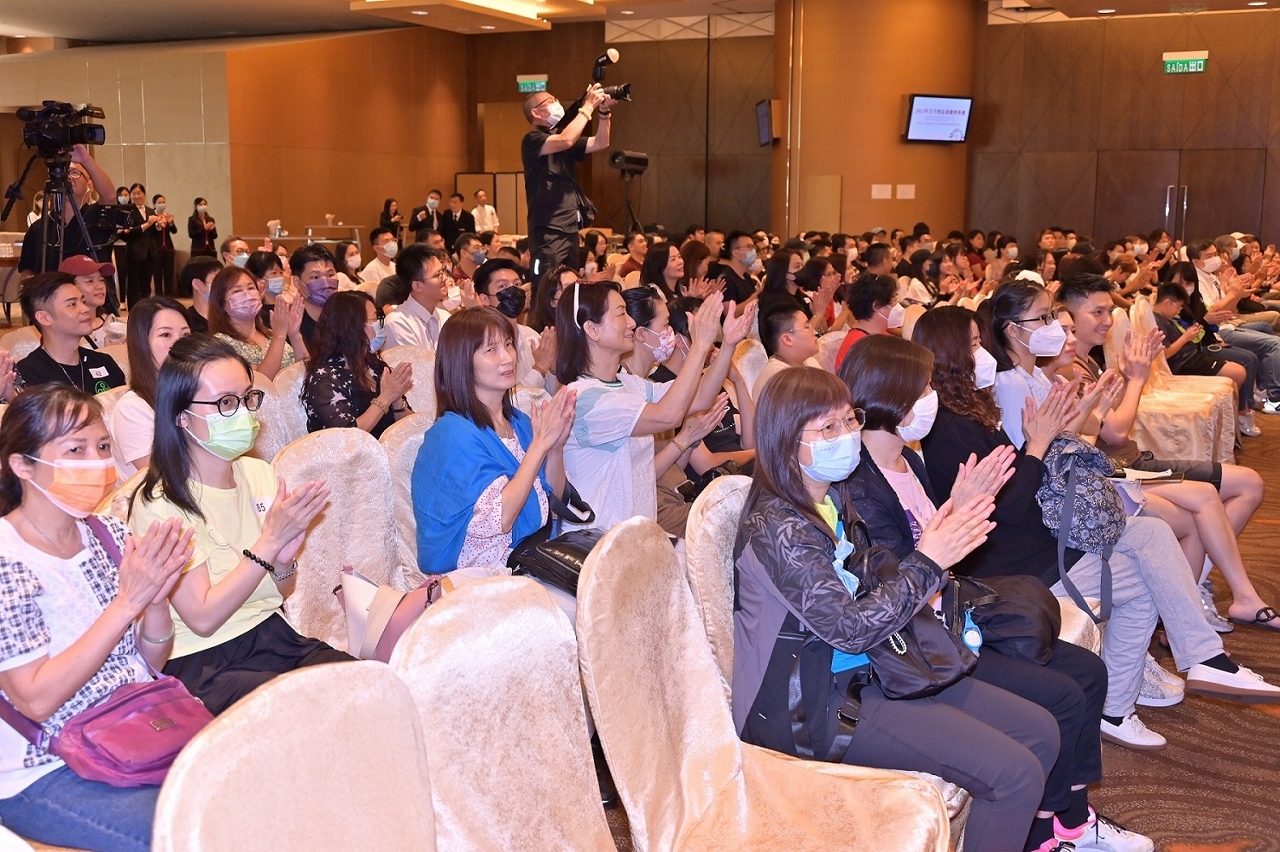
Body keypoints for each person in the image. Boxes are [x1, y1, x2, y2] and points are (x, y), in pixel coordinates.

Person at [914, 305, 1280, 751]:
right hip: (1012, 561)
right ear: (950, 354)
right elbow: (1005, 508)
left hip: (1035, 536)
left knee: (1152, 533)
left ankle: (1202, 658)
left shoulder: (969, 411)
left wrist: (1052, 434)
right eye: (973, 344)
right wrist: (1038, 444)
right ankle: (1126, 702)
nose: (984, 352)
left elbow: (1019, 482)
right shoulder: (948, 429)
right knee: (1146, 577)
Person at [733, 365, 1061, 852]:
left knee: (1040, 731)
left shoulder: (831, 498)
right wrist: (930, 560)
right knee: (1013, 773)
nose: (847, 435)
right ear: (786, 442)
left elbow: (880, 578)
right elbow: (849, 629)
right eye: (828, 428)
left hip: (868, 669)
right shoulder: (777, 527)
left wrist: (949, 520)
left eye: (850, 420)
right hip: (808, 704)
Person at [840, 337, 1147, 852]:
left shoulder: (909, 462)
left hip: (951, 611)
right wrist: (959, 515)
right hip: (920, 638)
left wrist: (963, 509)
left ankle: (1072, 820)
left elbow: (944, 552)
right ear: (892, 396)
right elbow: (900, 580)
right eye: (924, 388)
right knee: (1060, 696)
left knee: (1088, 672)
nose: (934, 398)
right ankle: (1044, 831)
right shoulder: (860, 487)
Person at [0, 385, 195, 852]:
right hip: (47, 765)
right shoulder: (8, 559)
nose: (97, 462)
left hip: (133, 726)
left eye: (103, 447)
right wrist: (126, 603)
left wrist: (155, 602)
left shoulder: (106, 532)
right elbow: (35, 700)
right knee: (194, 833)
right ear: (22, 464)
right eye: (76, 450)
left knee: (255, 794)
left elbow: (146, 662)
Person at [128, 335, 351, 715]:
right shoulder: (160, 502)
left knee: (366, 686)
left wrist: (284, 560)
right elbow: (202, 618)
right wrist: (270, 543)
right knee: (308, 713)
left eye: (247, 398)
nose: (244, 413)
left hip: (274, 634)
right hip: (203, 660)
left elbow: (281, 590)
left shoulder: (258, 473)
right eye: (226, 403)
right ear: (181, 416)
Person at [555, 283, 753, 532]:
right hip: (600, 541)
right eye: (621, 314)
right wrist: (699, 346)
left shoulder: (628, 383)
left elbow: (699, 399)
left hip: (635, 535)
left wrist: (728, 346)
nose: (631, 322)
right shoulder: (586, 399)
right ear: (592, 330)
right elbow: (669, 415)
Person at [412, 306, 577, 576]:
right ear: (461, 361)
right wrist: (539, 446)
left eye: (508, 344)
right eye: (491, 350)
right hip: (475, 579)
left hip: (526, 562)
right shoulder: (451, 435)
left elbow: (555, 502)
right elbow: (502, 519)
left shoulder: (520, 422)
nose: (507, 358)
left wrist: (555, 446)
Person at [522, 85, 614, 279]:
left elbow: (601, 142)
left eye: (556, 100)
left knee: (570, 282)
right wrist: (587, 106)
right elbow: (566, 140)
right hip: (548, 229)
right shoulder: (532, 139)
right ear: (536, 112)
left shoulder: (565, 140)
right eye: (550, 101)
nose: (557, 104)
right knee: (547, 284)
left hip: (570, 227)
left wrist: (604, 112)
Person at [301, 291, 412, 438]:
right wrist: (385, 398)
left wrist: (396, 399)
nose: (379, 325)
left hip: (388, 447)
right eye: (374, 319)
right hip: (349, 452)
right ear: (352, 328)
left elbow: (410, 426)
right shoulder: (325, 379)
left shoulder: (374, 365)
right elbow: (350, 436)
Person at [1150, 282, 1255, 434]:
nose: (1179, 311)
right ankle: (1231, 419)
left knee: (1239, 369)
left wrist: (1190, 334)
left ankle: (1229, 419)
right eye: (1178, 307)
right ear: (1167, 303)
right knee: (1238, 372)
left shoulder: (1164, 318)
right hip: (1183, 363)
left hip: (1191, 357)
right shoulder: (1156, 321)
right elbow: (1164, 354)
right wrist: (1186, 337)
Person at [110, 297, 191, 475]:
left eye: (185, 335)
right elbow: (163, 477)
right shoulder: (131, 408)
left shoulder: (199, 394)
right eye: (166, 335)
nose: (180, 343)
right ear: (142, 343)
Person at [15, 273, 126, 396]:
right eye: (72, 304)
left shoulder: (103, 362)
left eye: (83, 301)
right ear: (44, 318)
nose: (85, 309)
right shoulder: (29, 373)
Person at [17, 147, 116, 280]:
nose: (68, 177)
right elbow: (26, 272)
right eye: (64, 172)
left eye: (75, 173)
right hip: (53, 292)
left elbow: (109, 196)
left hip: (93, 292)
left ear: (90, 185)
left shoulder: (96, 217)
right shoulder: (39, 229)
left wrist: (85, 159)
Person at [208, 264, 306, 381]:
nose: (247, 295)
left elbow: (306, 373)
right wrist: (279, 336)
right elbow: (260, 384)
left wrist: (294, 334)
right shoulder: (220, 344)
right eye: (237, 290)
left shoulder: (270, 335)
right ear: (221, 302)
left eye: (251, 288)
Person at [472, 258, 553, 389]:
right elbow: (503, 398)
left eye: (517, 284)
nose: (513, 291)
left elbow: (549, 392)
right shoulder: (482, 344)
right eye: (503, 286)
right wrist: (539, 368)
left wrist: (553, 367)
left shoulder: (530, 335)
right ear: (485, 299)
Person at [383, 244, 452, 353]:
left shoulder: (445, 317)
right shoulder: (398, 323)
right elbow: (416, 363)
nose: (444, 278)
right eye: (437, 275)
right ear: (417, 286)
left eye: (443, 271)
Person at [752, 305, 820, 400]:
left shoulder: (809, 361)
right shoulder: (780, 378)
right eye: (807, 327)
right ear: (787, 339)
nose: (815, 332)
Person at [58, 255, 125, 349]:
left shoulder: (112, 324)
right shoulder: (62, 334)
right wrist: (108, 351)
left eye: (101, 280)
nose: (100, 286)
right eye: (90, 281)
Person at [289, 243, 340, 352]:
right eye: (315, 277)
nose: (326, 283)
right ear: (297, 282)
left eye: (330, 275)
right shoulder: (289, 320)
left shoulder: (349, 313)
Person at [715, 230, 763, 308]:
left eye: (753, 247)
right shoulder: (726, 279)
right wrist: (756, 296)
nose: (753, 251)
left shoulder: (747, 277)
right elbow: (729, 312)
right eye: (749, 246)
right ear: (736, 253)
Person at [527, 264, 578, 334]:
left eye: (578, 285)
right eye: (568, 288)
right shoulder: (544, 336)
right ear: (552, 302)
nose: (577, 291)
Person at [178, 256, 222, 335]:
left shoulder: (228, 315)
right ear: (197, 284)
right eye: (216, 279)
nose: (222, 283)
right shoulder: (187, 322)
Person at [148, 195, 178, 297]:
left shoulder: (167, 216)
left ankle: (169, 295)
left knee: (169, 273)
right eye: (159, 202)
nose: (162, 204)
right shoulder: (151, 216)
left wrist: (171, 223)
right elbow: (150, 232)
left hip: (168, 248)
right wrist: (157, 225)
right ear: (154, 204)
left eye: (163, 202)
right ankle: (159, 296)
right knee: (157, 274)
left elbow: (174, 231)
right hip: (156, 249)